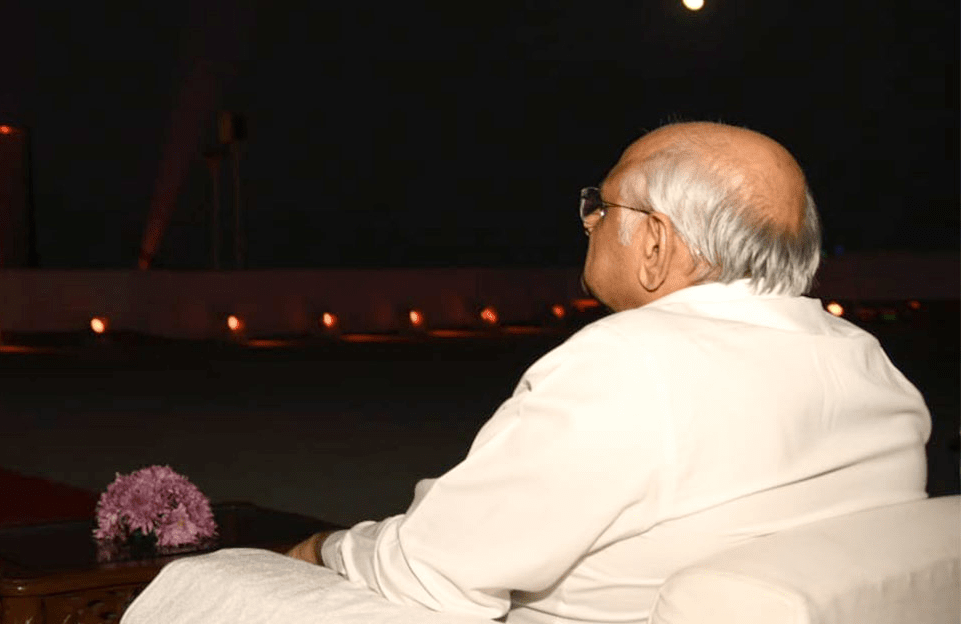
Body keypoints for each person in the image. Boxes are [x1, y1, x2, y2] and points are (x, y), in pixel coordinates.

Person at [286, 122, 931, 624]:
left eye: (602, 204)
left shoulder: (630, 364)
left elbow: (430, 569)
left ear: (655, 243)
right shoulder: (872, 366)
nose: (589, 221)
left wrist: (321, 549)